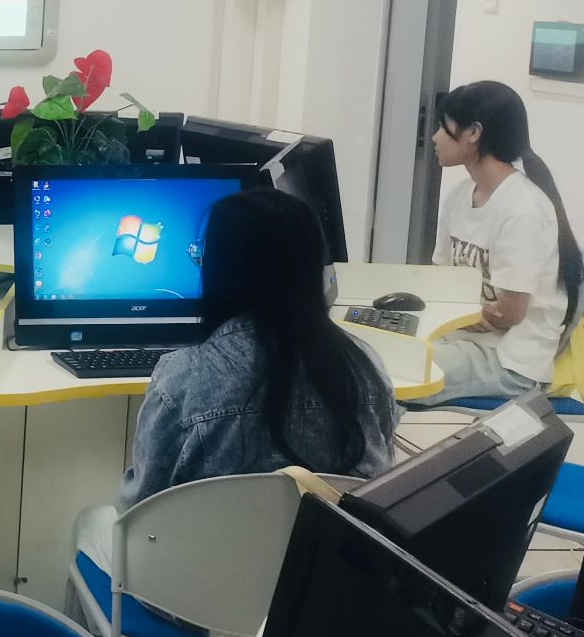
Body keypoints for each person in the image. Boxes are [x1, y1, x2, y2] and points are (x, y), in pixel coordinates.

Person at [117, 188, 400, 508]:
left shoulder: (181, 379)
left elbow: (141, 503)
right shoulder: (364, 367)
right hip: (332, 541)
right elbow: (378, 482)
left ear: (221, 269)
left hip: (214, 542)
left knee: (96, 519)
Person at [417, 80, 581, 406]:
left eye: (443, 127)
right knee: (369, 352)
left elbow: (510, 313)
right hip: (466, 338)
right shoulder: (459, 196)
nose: (434, 137)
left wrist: (460, 315)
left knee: (393, 373)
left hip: (510, 359)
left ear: (473, 133)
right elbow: (442, 283)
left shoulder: (523, 209)